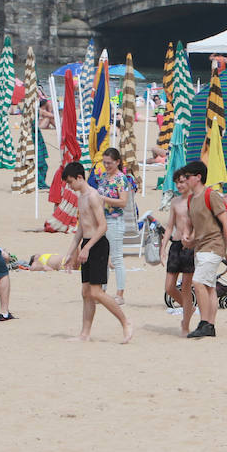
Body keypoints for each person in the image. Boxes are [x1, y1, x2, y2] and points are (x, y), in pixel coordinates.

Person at [62, 162, 134, 343]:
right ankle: (85, 334)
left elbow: (102, 226)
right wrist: (71, 252)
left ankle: (125, 322)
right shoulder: (81, 198)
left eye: (70, 182)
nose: (69, 186)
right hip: (87, 242)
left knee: (96, 292)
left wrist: (87, 248)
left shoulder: (94, 196)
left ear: (79, 177)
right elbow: (81, 228)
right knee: (86, 292)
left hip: (98, 244)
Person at [182, 159, 227, 340]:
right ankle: (211, 325)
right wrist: (188, 237)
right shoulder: (191, 199)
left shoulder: (211, 195)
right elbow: (191, 224)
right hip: (200, 247)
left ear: (198, 177)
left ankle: (204, 323)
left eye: (188, 177)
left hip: (214, 246)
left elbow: (225, 221)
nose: (185, 180)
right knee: (209, 287)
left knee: (197, 282)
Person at [93, 147, 133, 305]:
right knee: (103, 258)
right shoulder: (103, 177)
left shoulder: (121, 179)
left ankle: (120, 293)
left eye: (109, 163)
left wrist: (104, 199)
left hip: (115, 220)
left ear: (117, 162)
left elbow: (123, 202)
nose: (107, 165)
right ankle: (102, 291)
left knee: (116, 258)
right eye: (105, 162)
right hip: (102, 220)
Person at [162, 166, 197, 335]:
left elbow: (200, 224)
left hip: (189, 246)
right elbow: (169, 226)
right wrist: (163, 247)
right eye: (177, 183)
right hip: (175, 244)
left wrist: (192, 237)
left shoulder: (195, 200)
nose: (179, 185)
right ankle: (188, 308)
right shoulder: (175, 201)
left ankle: (185, 324)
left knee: (185, 286)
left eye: (182, 182)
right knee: (169, 287)